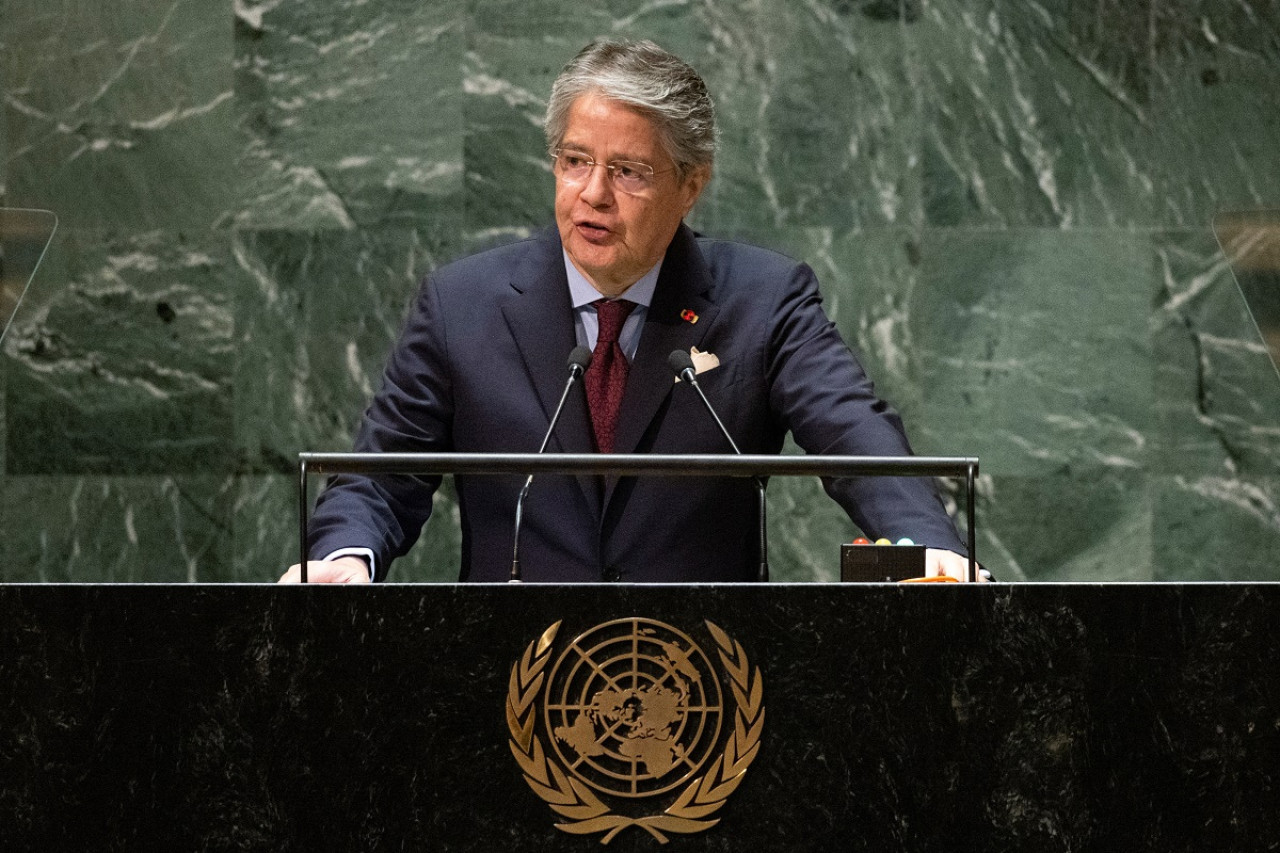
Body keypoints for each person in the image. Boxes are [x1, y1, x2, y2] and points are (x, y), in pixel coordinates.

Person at [280, 37, 974, 585]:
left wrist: (935, 553)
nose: (593, 194)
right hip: (512, 682)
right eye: (575, 161)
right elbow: (380, 476)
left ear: (690, 185)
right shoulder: (462, 305)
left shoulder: (765, 301)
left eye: (629, 172)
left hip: (709, 693)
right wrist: (345, 554)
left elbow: (860, 444)